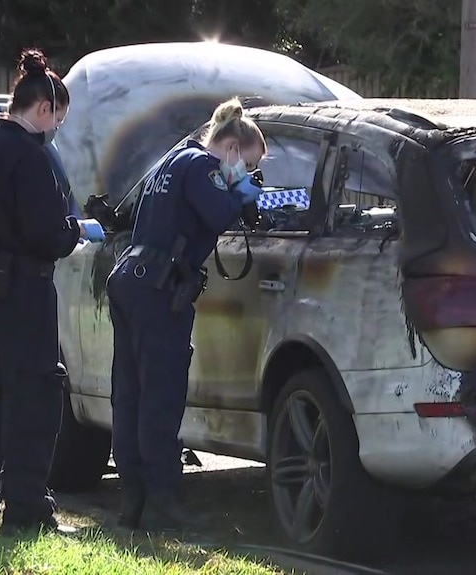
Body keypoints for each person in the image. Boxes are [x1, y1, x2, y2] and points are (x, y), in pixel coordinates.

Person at [0, 47, 106, 535]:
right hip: (22, 294)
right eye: (57, 118)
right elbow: (46, 234)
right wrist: (76, 232)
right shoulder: (32, 156)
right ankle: (26, 511)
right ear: (43, 109)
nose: (55, 127)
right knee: (33, 404)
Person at [107, 98, 265, 531]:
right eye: (246, 165)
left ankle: (133, 500)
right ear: (231, 148)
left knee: (131, 395)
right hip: (158, 290)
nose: (245, 174)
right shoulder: (203, 167)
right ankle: (164, 501)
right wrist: (243, 193)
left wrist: (238, 191)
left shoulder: (172, 158)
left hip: (132, 281)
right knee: (160, 396)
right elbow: (217, 212)